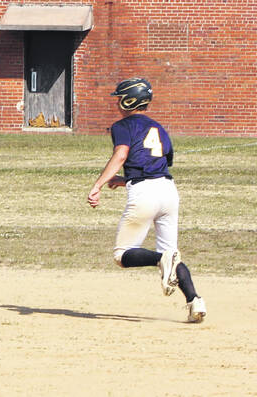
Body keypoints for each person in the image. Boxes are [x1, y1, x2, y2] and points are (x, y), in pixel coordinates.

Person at [87, 78, 206, 323]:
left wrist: (97, 185)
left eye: (120, 98)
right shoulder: (159, 128)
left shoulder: (123, 125)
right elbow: (157, 163)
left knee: (122, 255)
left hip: (145, 195)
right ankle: (195, 301)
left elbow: (122, 154)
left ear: (129, 101)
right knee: (172, 253)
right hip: (168, 191)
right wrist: (124, 180)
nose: (117, 103)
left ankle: (159, 259)